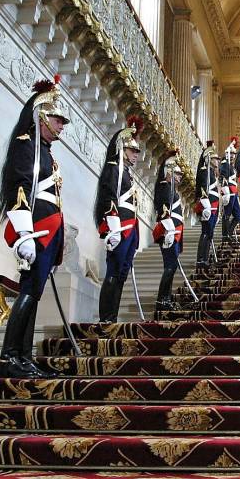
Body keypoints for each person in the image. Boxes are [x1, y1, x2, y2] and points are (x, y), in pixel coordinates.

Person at [0, 75, 69, 378]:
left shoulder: (45, 151)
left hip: (49, 229)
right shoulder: (26, 145)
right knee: (29, 290)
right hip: (36, 228)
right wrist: (24, 233)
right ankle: (9, 358)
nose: (61, 125)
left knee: (34, 292)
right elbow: (19, 188)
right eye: (57, 119)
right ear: (42, 117)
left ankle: (23, 357)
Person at [94, 116, 143, 323]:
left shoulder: (126, 173)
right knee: (113, 271)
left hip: (130, 227)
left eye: (137, 151)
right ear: (122, 148)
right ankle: (106, 317)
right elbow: (109, 197)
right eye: (133, 150)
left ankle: (112, 316)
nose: (136, 155)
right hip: (120, 226)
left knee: (121, 274)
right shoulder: (114, 167)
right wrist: (113, 228)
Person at [152, 152, 185, 318]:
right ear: (169, 172)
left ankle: (166, 298)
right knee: (170, 267)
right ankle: (161, 299)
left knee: (172, 267)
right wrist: (169, 230)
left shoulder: (171, 189)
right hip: (169, 232)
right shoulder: (164, 187)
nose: (180, 177)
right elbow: (163, 211)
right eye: (177, 174)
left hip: (174, 231)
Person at [194, 140, 221, 274]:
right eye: (215, 158)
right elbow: (203, 190)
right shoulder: (205, 171)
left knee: (209, 233)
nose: (217, 161)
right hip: (208, 206)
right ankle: (201, 259)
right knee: (206, 232)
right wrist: (206, 207)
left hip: (213, 206)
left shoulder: (211, 172)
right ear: (209, 159)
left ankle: (205, 258)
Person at [220, 137, 240, 243]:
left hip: (234, 192)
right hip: (229, 191)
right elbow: (223, 178)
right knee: (227, 214)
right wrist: (225, 191)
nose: (233, 156)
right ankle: (225, 235)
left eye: (234, 154)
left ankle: (229, 232)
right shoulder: (224, 164)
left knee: (238, 216)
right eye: (231, 154)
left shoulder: (231, 166)